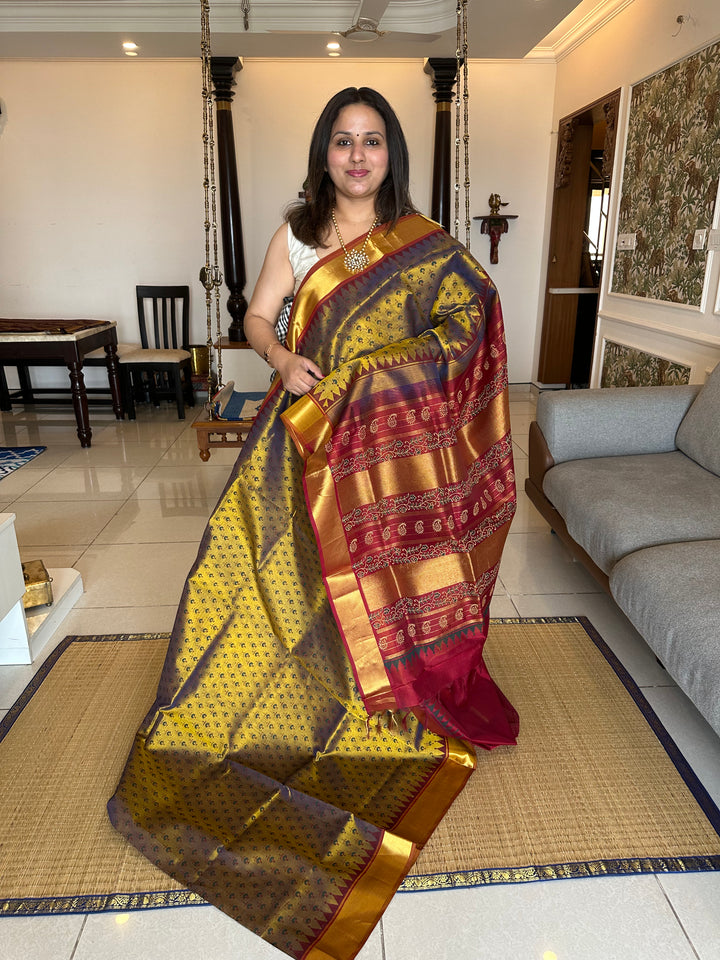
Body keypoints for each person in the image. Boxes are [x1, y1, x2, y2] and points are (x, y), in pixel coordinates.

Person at [108, 87, 518, 960]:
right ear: (323, 152)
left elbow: (470, 320)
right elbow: (255, 317)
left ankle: (366, 700)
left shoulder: (422, 244)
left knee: (363, 582)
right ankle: (251, 711)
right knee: (255, 573)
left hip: (378, 458)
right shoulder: (296, 235)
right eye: (343, 141)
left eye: (373, 142)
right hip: (296, 438)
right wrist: (282, 356)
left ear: (390, 154)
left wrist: (376, 377)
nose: (358, 156)